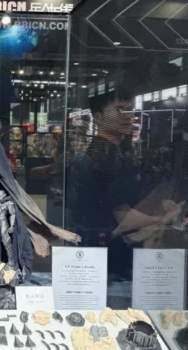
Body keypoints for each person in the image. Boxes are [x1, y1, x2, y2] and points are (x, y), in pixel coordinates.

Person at [69, 88, 181, 276]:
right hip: (110, 249)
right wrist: (164, 219)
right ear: (98, 117)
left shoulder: (107, 152)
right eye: (120, 109)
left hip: (99, 245)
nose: (129, 115)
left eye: (131, 110)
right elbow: (125, 219)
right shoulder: (107, 157)